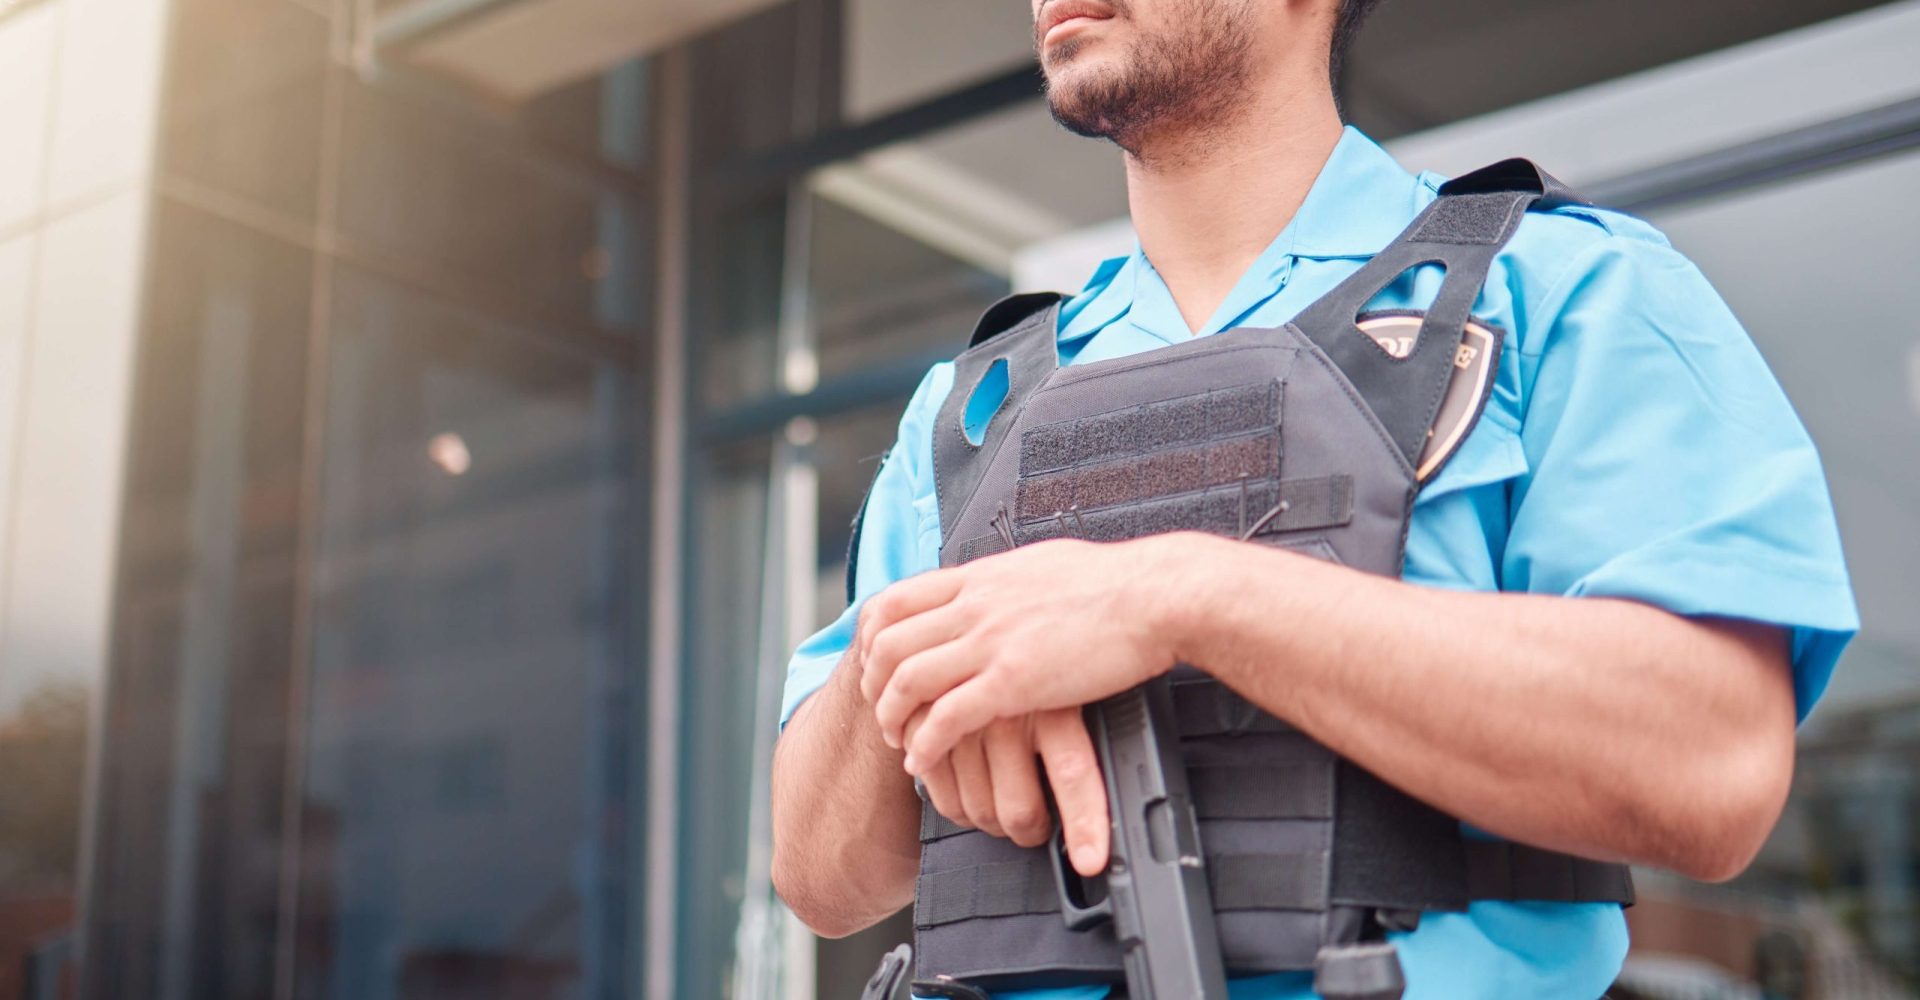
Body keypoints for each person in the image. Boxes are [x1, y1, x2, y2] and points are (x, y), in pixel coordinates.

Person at [769, 0, 1859, 997]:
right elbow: (821, 879)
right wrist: (903, 665)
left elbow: (1713, 766)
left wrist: (1177, 592)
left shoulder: (1562, 294)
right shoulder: (967, 412)